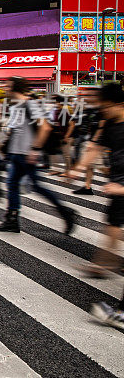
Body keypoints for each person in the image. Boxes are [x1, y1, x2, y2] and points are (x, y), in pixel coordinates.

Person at [0, 77, 76, 234]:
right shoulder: (16, 105)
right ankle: (12, 219)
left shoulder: (30, 103)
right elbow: (16, 130)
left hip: (27, 154)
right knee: (12, 184)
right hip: (16, 154)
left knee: (36, 186)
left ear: (15, 87)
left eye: (8, 86)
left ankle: (65, 212)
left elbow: (45, 127)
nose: (5, 89)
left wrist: (35, 149)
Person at [71, 83, 124, 279]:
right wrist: (78, 168)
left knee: (114, 222)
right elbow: (95, 148)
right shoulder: (110, 123)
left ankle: (102, 265)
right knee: (113, 222)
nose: (103, 110)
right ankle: (103, 264)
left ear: (120, 104)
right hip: (117, 179)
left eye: (106, 106)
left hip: (121, 184)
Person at [73, 88, 103, 195]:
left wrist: (94, 141)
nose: (87, 97)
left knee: (104, 167)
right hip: (93, 141)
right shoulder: (90, 109)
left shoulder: (102, 108)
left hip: (101, 143)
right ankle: (87, 186)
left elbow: (101, 126)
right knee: (91, 165)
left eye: (90, 95)